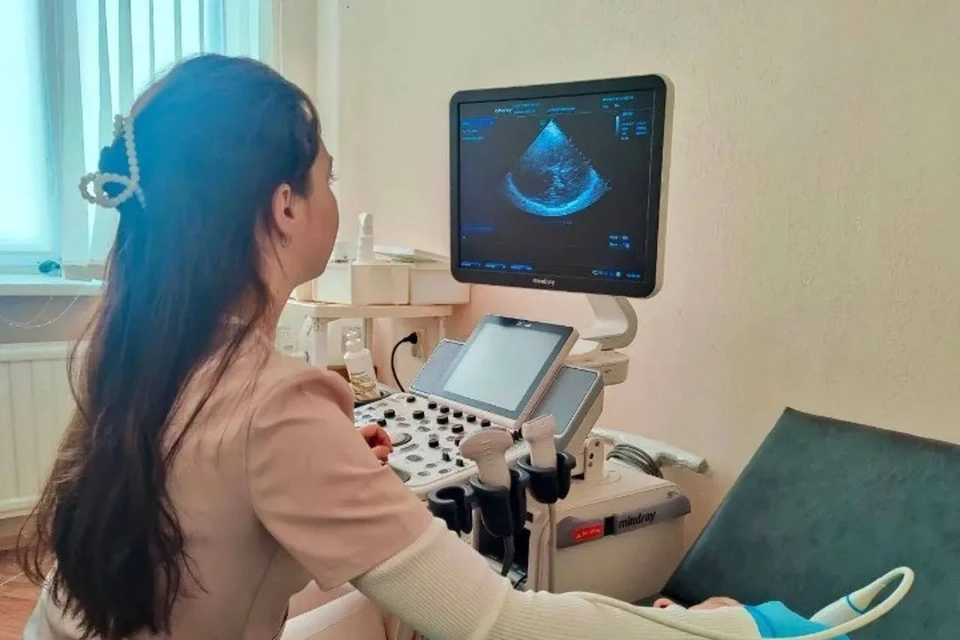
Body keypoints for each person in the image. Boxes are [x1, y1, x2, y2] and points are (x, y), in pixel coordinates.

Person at [16, 54, 832, 640]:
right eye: (328, 177)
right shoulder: (273, 401)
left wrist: (327, 472)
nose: (334, 196)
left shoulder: (135, 349)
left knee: (388, 611)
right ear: (285, 207)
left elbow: (209, 524)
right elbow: (499, 623)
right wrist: (729, 626)